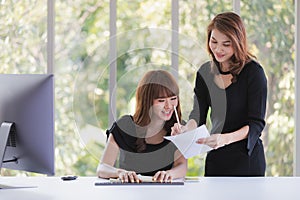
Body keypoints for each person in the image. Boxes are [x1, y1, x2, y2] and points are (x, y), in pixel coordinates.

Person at [171, 11, 267, 176]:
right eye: (214, 41)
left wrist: (224, 139)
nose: (218, 49)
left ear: (238, 43)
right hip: (216, 159)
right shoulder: (205, 73)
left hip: (247, 160)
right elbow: (198, 114)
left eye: (226, 44)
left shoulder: (254, 73)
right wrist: (185, 130)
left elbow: (256, 124)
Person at [97, 70, 187, 182]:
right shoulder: (124, 126)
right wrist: (119, 172)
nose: (168, 106)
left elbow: (182, 165)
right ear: (147, 101)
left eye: (173, 99)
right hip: (129, 193)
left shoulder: (178, 128)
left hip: (164, 192)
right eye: (161, 100)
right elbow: (102, 168)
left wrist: (169, 174)